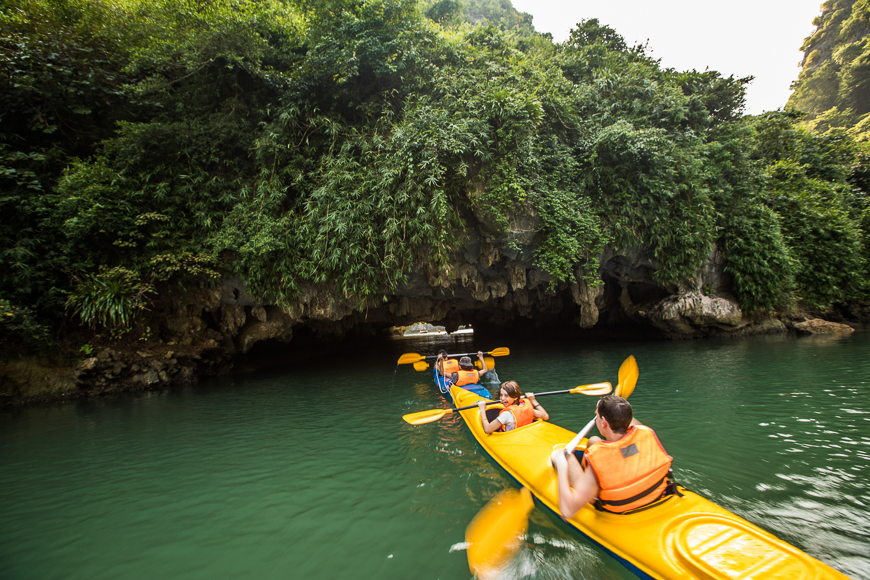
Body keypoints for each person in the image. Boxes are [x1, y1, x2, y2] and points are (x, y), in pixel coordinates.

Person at [549, 395, 672, 517]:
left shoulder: (599, 457)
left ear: (604, 422)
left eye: (596, 415)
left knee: (566, 457)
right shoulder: (646, 432)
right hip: (656, 494)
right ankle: (587, 482)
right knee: (593, 440)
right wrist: (611, 406)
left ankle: (586, 489)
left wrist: (561, 465)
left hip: (620, 507)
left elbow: (567, 511)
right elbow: (626, 418)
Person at [477, 380, 549, 433]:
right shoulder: (524, 406)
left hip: (510, 440)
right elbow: (545, 416)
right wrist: (533, 400)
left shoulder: (506, 414)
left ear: (515, 397)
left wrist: (482, 410)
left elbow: (487, 430)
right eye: (501, 395)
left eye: (506, 396)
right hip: (524, 436)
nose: (502, 398)